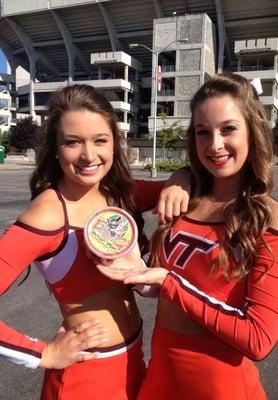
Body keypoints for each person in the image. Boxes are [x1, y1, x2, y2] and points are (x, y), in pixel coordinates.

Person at [98, 73, 278, 399]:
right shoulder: (184, 197)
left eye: (228, 129)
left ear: (254, 131)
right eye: (203, 132)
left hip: (220, 386)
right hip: (160, 378)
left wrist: (169, 283)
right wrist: (137, 270)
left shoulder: (276, 220)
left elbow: (259, 338)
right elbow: (101, 196)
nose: (215, 144)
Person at [0, 84, 189, 400]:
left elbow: (187, 181)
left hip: (134, 362)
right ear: (56, 148)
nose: (89, 155)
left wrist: (181, 180)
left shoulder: (119, 193)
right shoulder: (48, 214)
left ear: (115, 144)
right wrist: (42, 353)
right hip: (85, 379)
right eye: (73, 142)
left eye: (100, 140)